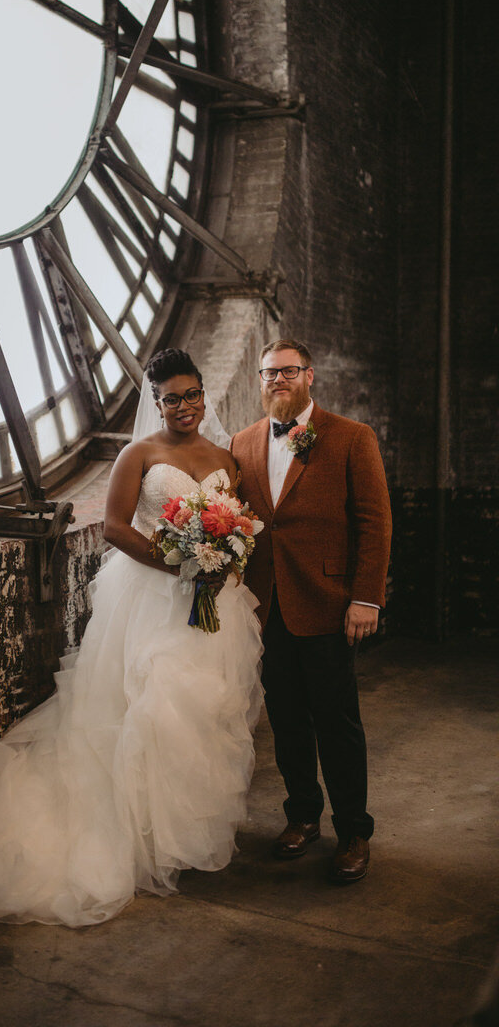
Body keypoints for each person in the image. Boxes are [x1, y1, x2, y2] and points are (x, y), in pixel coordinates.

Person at [0, 348, 263, 939]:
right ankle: (140, 837)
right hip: (153, 600)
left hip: (213, 601)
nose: (184, 406)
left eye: (193, 394)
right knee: (153, 711)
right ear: (155, 403)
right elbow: (114, 528)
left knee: (205, 714)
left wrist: (221, 562)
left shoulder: (225, 458)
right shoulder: (141, 453)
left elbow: (234, 522)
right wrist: (177, 562)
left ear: (205, 395)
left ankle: (182, 834)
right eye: (171, 398)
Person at [230, 338, 392, 883]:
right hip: (267, 605)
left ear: (310, 376)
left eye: (288, 371)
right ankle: (302, 816)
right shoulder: (243, 442)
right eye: (268, 373)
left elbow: (374, 521)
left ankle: (353, 830)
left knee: (337, 722)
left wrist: (365, 597)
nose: (277, 380)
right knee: (287, 721)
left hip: (327, 604)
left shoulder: (351, 437)